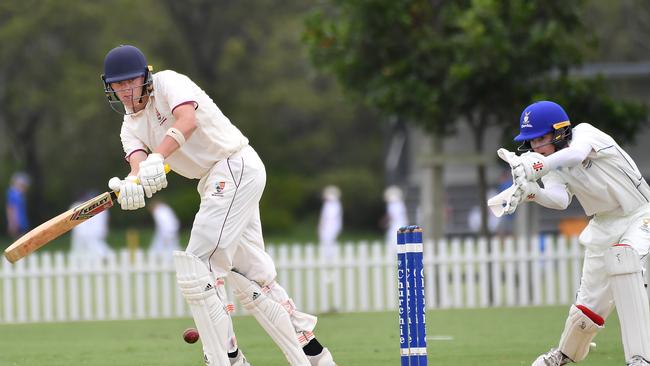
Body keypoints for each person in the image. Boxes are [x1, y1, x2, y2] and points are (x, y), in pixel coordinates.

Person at [101, 45, 336, 366]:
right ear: (110, 86)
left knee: (199, 266)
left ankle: (225, 356)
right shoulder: (130, 127)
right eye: (118, 84)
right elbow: (138, 168)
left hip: (233, 164)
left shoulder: (169, 82)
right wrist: (131, 185)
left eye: (131, 81)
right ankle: (315, 356)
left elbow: (187, 121)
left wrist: (159, 155)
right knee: (251, 274)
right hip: (217, 180)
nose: (125, 90)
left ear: (145, 76)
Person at [494, 100, 650, 366]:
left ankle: (640, 358)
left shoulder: (585, 134)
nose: (535, 147)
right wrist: (532, 193)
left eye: (540, 138)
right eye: (531, 142)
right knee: (588, 304)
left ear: (559, 132)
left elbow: (576, 155)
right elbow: (559, 199)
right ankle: (564, 354)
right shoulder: (553, 164)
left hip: (640, 213)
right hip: (603, 224)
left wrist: (535, 167)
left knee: (626, 263)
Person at [70, 191, 113, 258]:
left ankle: (106, 255)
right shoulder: (79, 205)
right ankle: (105, 256)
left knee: (95, 245)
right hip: (87, 232)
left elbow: (101, 221)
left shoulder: (101, 207)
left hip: (92, 232)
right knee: (81, 248)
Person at [317, 185, 342, 263]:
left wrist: (323, 225)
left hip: (331, 226)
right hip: (328, 226)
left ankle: (331, 257)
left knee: (329, 241)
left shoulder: (335, 204)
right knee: (325, 241)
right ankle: (327, 257)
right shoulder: (327, 204)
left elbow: (330, 217)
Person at [6, 172, 30, 239]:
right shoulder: (13, 194)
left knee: (22, 239)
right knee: (19, 241)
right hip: (17, 221)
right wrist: (12, 223)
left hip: (22, 220)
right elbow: (10, 209)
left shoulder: (20, 195)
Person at [383, 185, 408, 250]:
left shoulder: (394, 204)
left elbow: (393, 215)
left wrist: (384, 221)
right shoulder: (399, 203)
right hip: (397, 224)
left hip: (397, 224)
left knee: (394, 237)